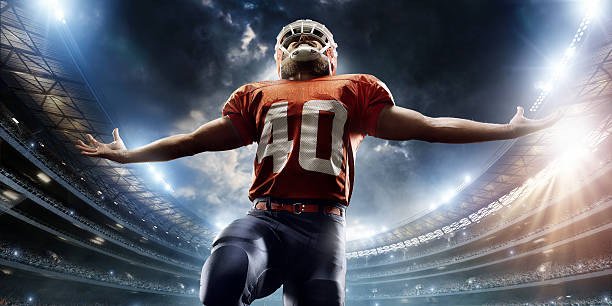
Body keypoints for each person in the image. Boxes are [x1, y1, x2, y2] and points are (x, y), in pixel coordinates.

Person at [75, 19, 561, 306]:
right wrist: (131, 155)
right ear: (278, 53)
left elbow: (428, 126)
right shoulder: (256, 94)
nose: (303, 38)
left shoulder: (355, 88)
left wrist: (507, 129)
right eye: (294, 35)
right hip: (264, 219)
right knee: (223, 276)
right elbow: (193, 141)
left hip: (325, 230)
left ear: (332, 52)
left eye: (314, 34)